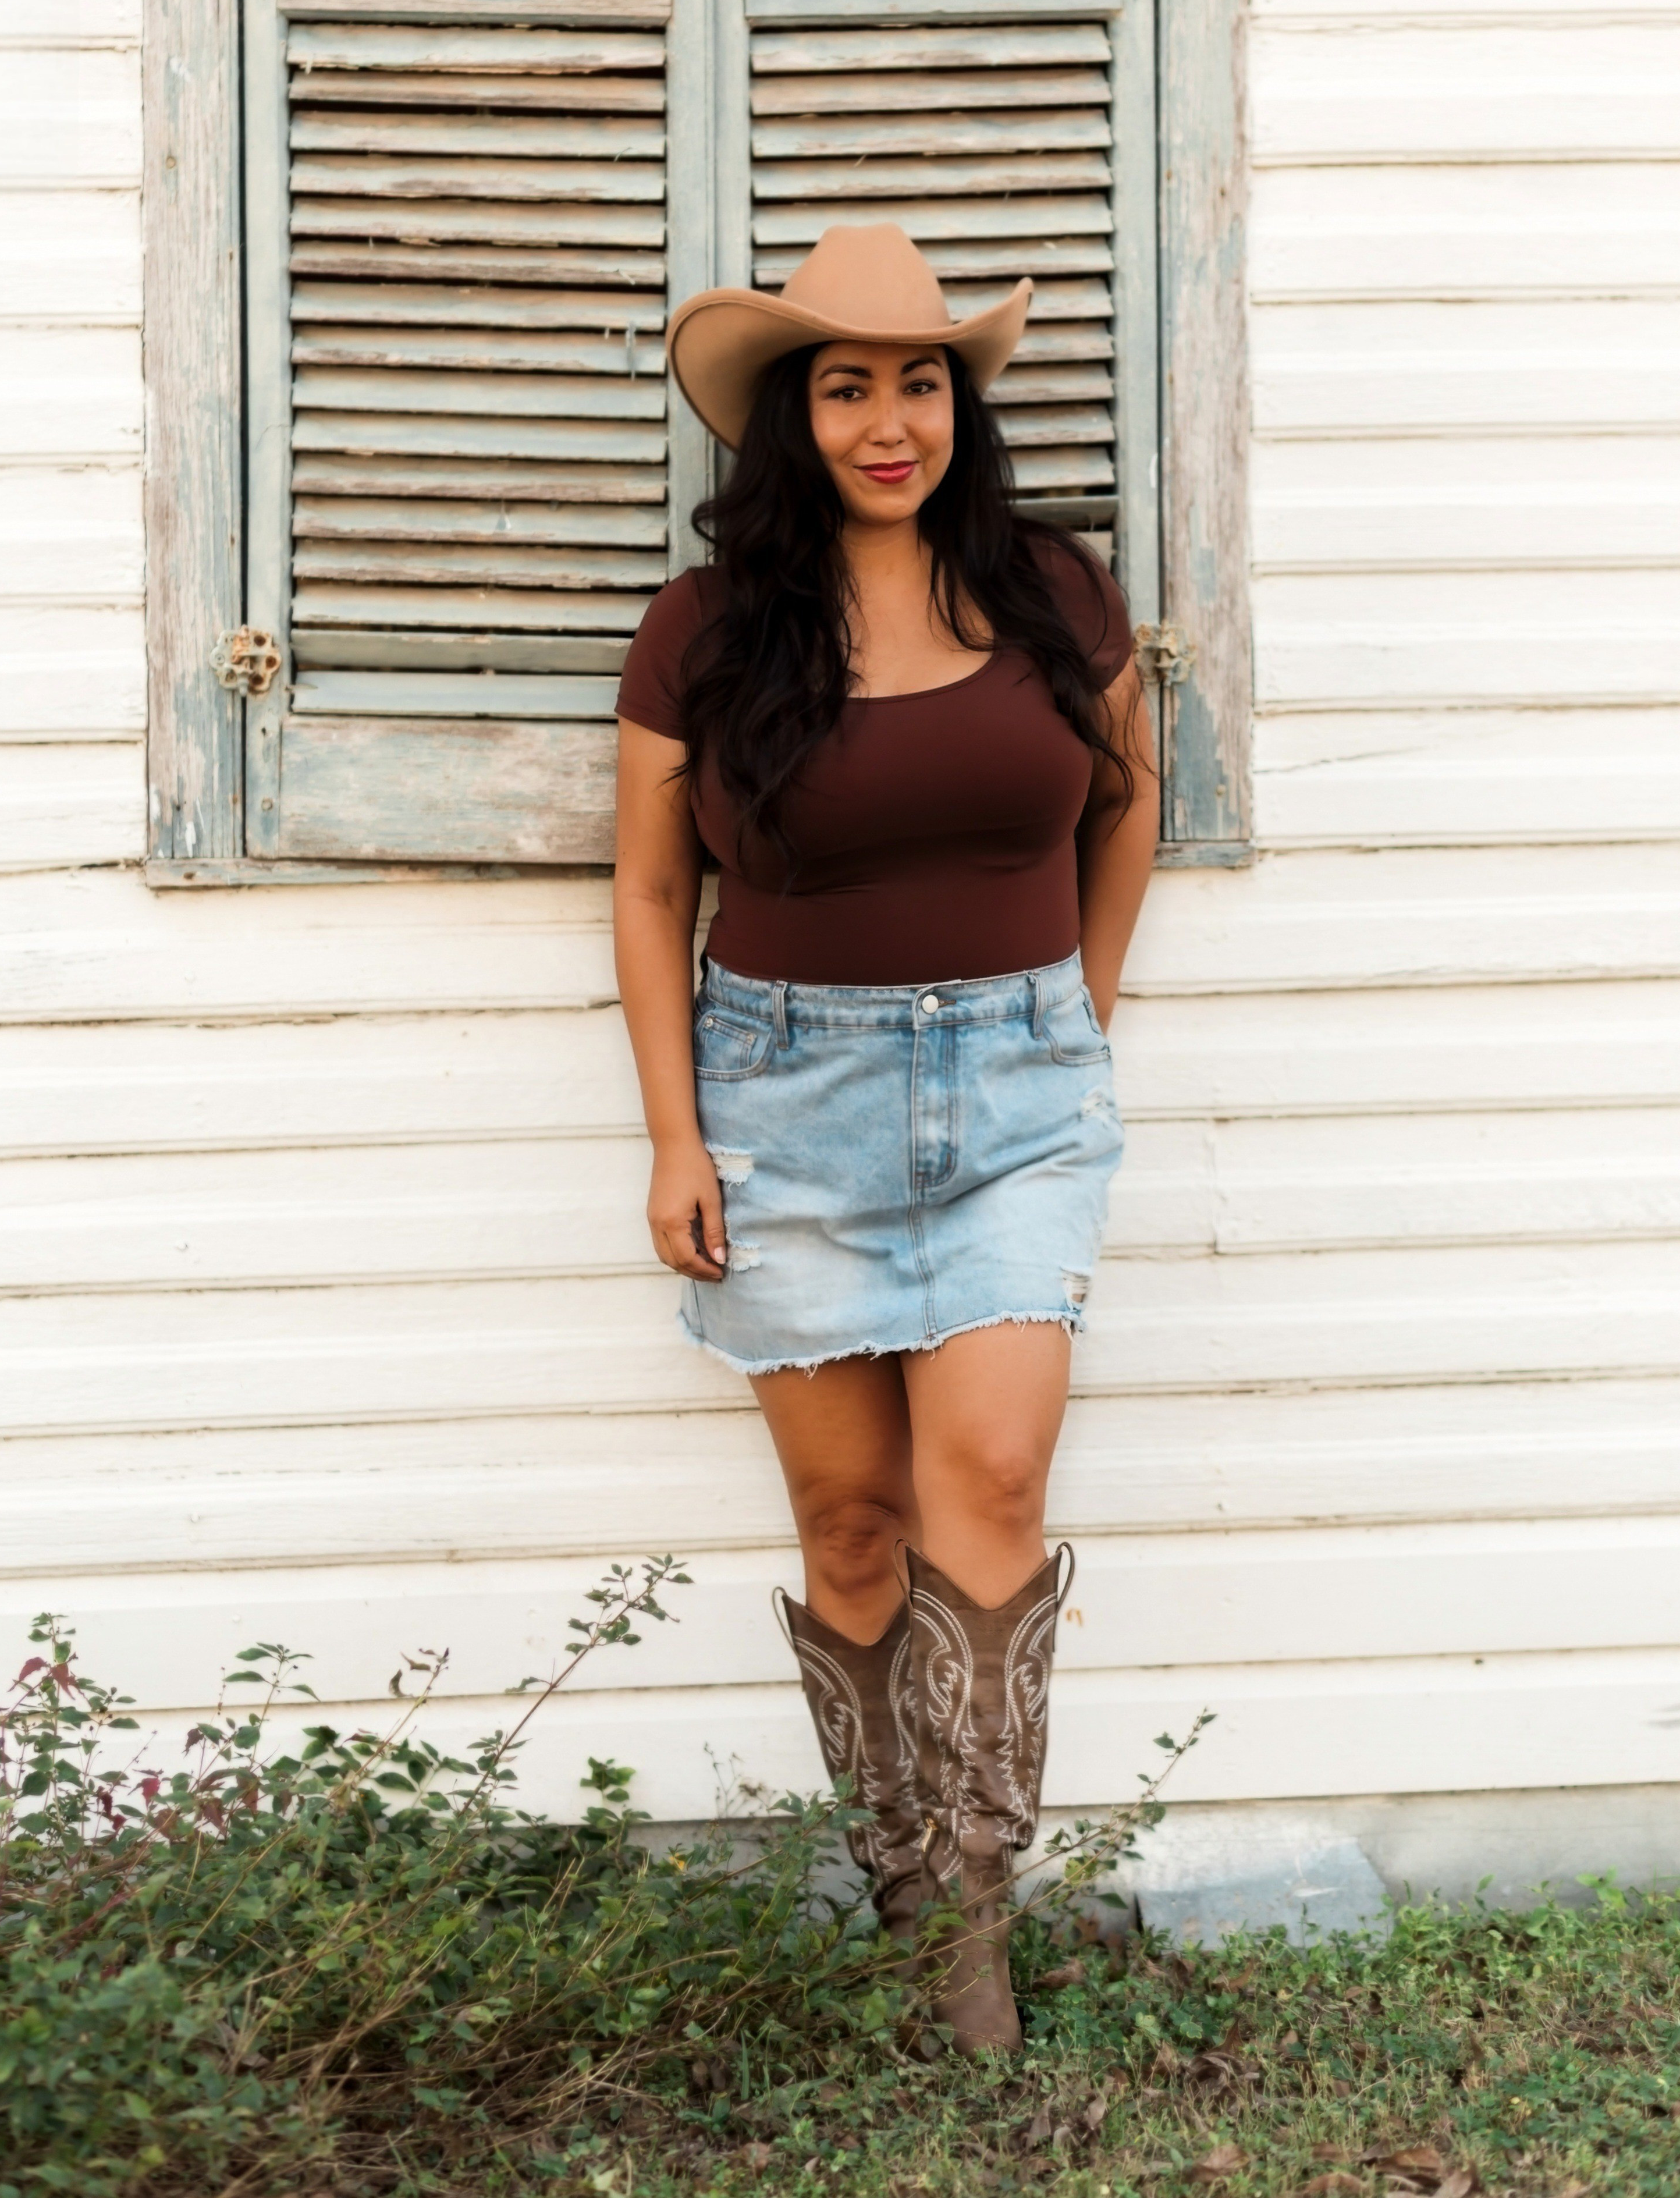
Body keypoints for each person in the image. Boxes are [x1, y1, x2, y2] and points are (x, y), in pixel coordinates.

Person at [612, 221, 1158, 2050]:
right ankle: (910, 1898)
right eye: (846, 387)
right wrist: (677, 1138)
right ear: (794, 420)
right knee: (851, 1518)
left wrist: (1073, 1005)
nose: (888, 418)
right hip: (787, 1098)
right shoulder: (706, 631)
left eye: (918, 380)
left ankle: (979, 1930)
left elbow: (1130, 803)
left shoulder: (1055, 596)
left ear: (958, 403)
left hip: (1018, 1099)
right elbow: (645, 884)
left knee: (985, 1485)